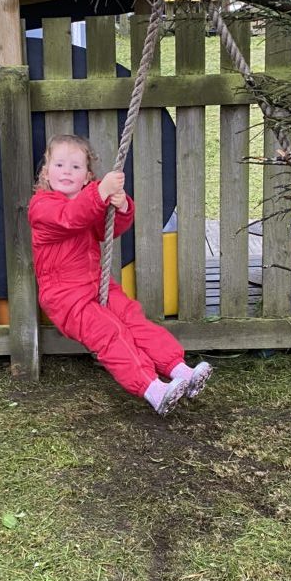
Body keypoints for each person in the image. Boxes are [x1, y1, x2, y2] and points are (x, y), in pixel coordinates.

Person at [28, 134, 212, 414]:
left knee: (133, 319)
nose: (66, 172)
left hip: (95, 286)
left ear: (86, 176)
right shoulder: (42, 206)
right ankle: (153, 389)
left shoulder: (87, 203)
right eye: (59, 165)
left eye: (76, 167)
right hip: (65, 298)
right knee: (109, 333)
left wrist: (122, 206)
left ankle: (179, 370)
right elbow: (70, 217)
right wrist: (100, 192)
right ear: (46, 172)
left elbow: (104, 229)